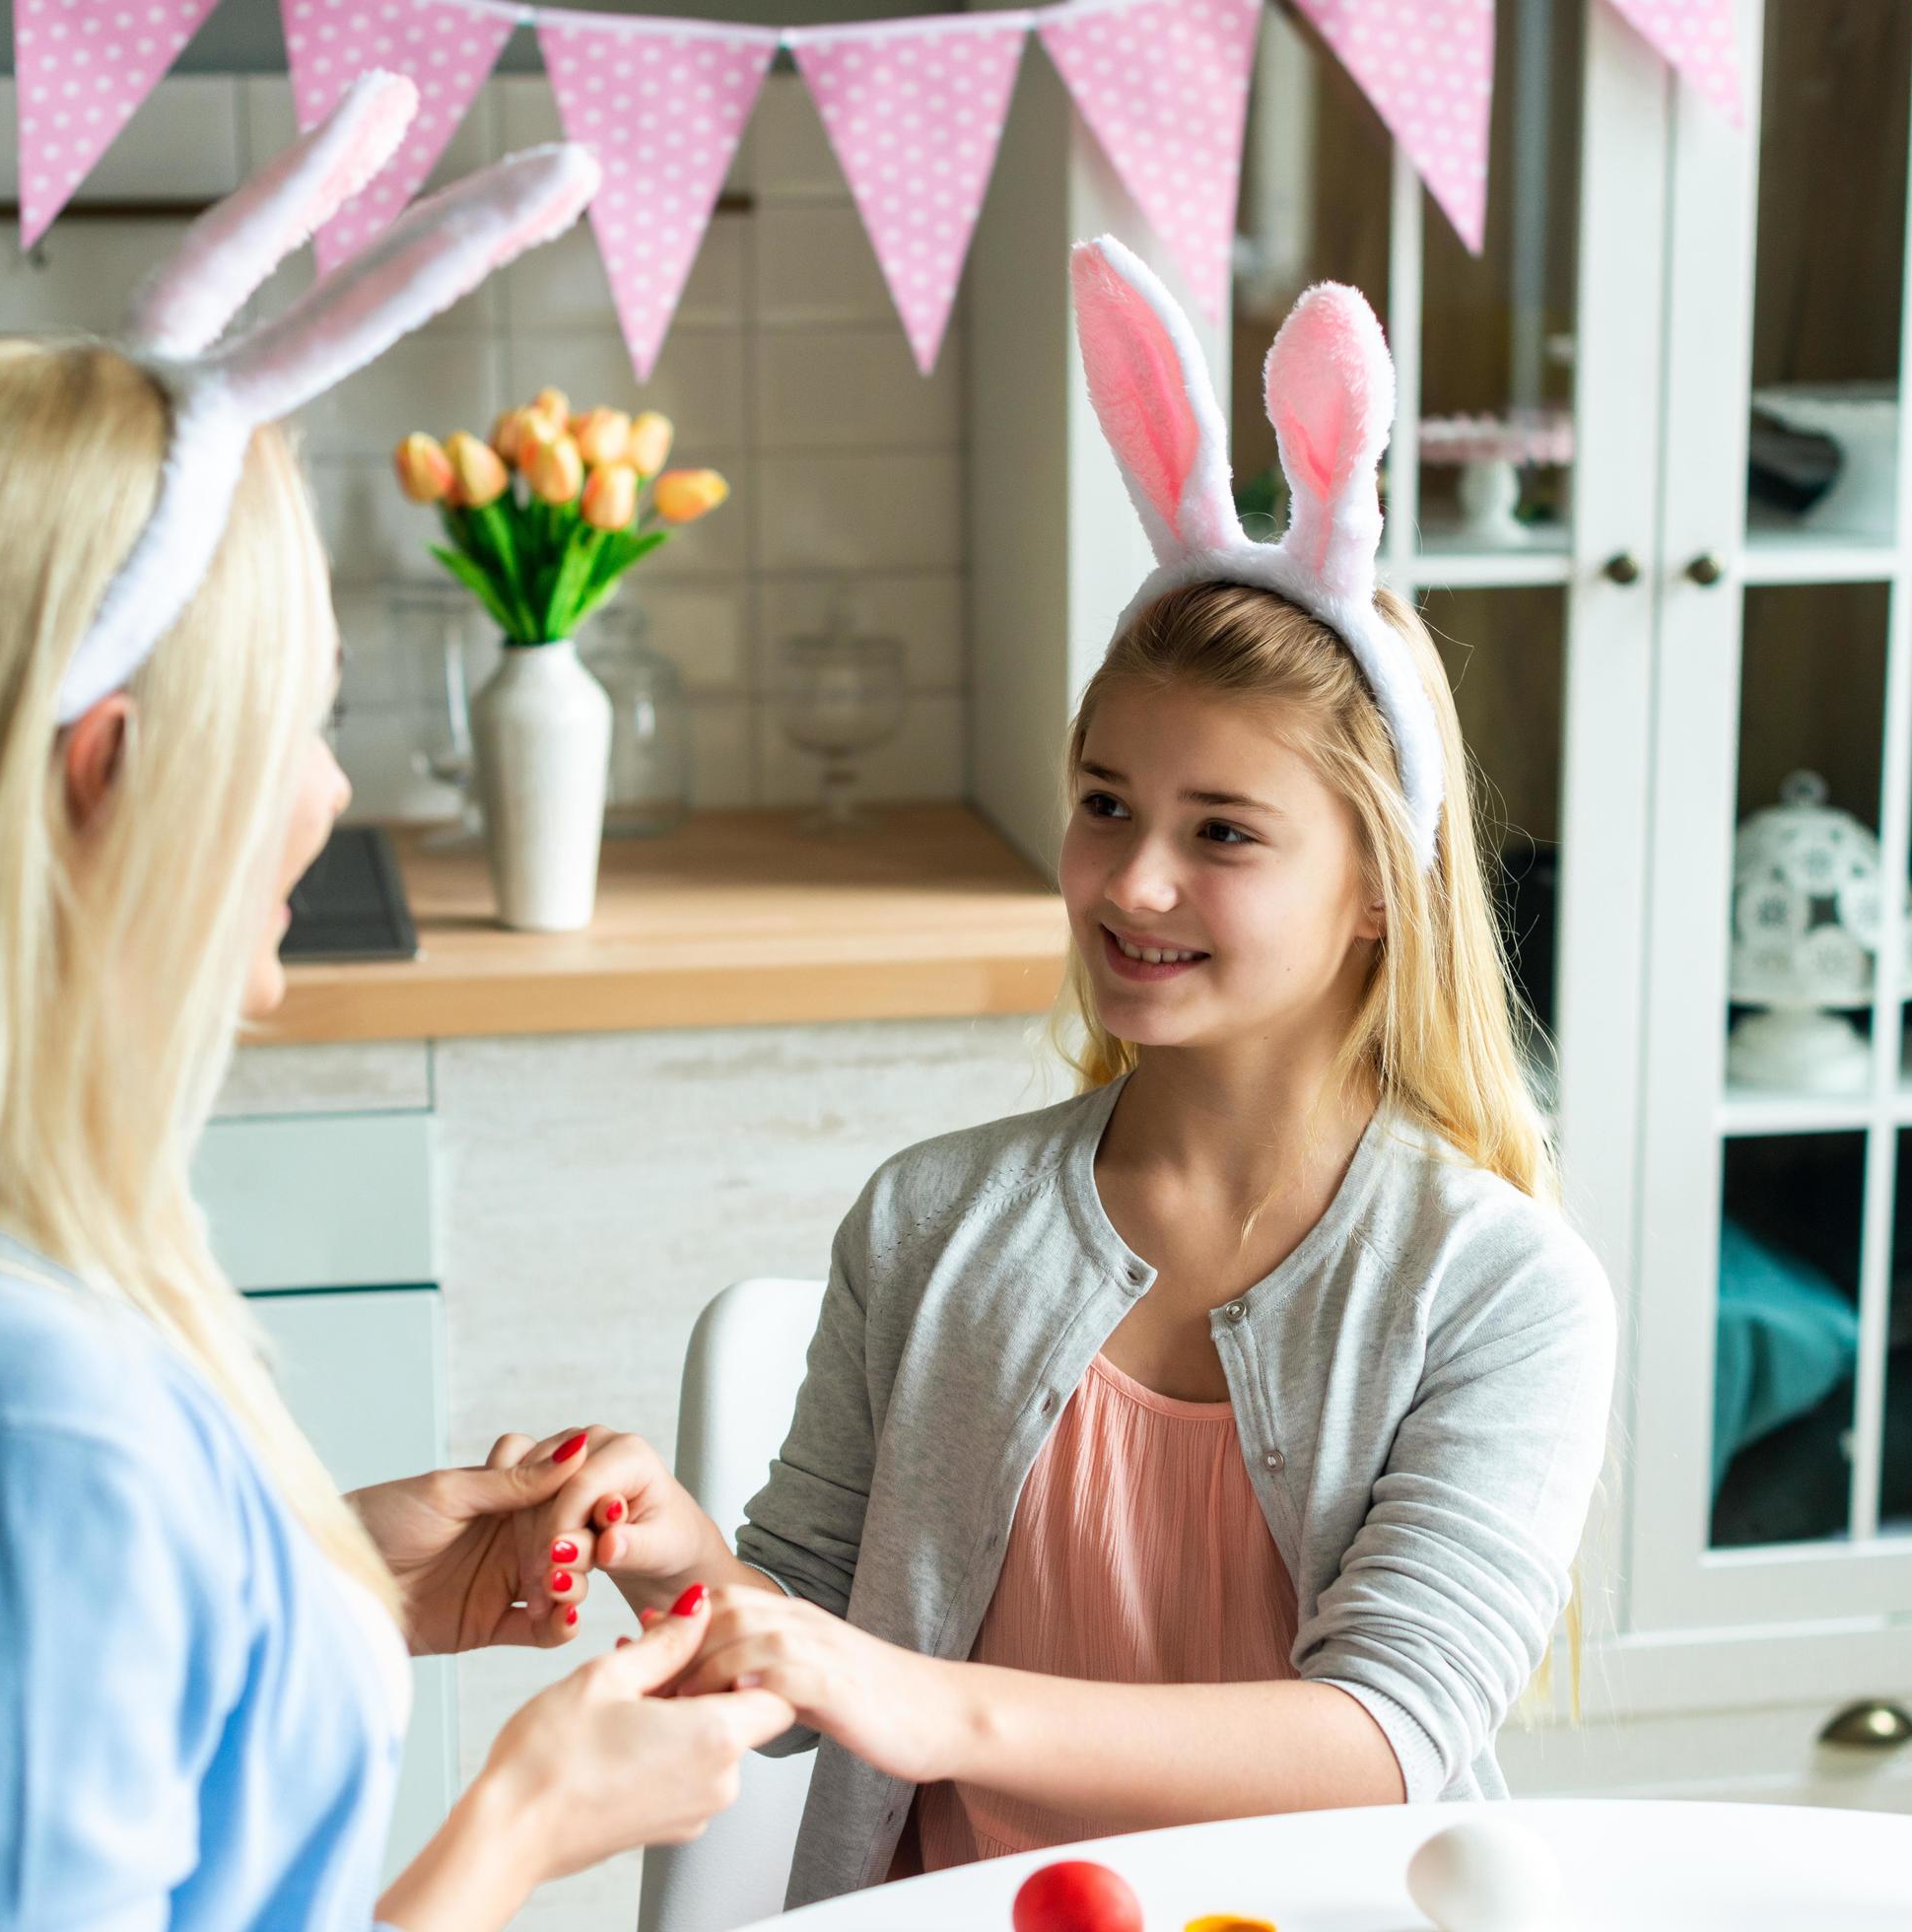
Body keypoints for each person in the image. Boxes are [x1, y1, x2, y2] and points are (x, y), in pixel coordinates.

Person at [0, 82, 786, 1932]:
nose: (324, 799)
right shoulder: (19, 1454)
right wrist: (526, 1831)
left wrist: (312, 1573)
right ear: (107, 774)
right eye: (296, 720)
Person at [503, 240, 1617, 1906]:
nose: (1130, 880)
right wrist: (681, 1557)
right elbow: (806, 1649)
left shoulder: (1499, 1285)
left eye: (1221, 833)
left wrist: (920, 1704)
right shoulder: (931, 1219)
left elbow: (1385, 1732)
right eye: (1105, 804)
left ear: (1380, 885)